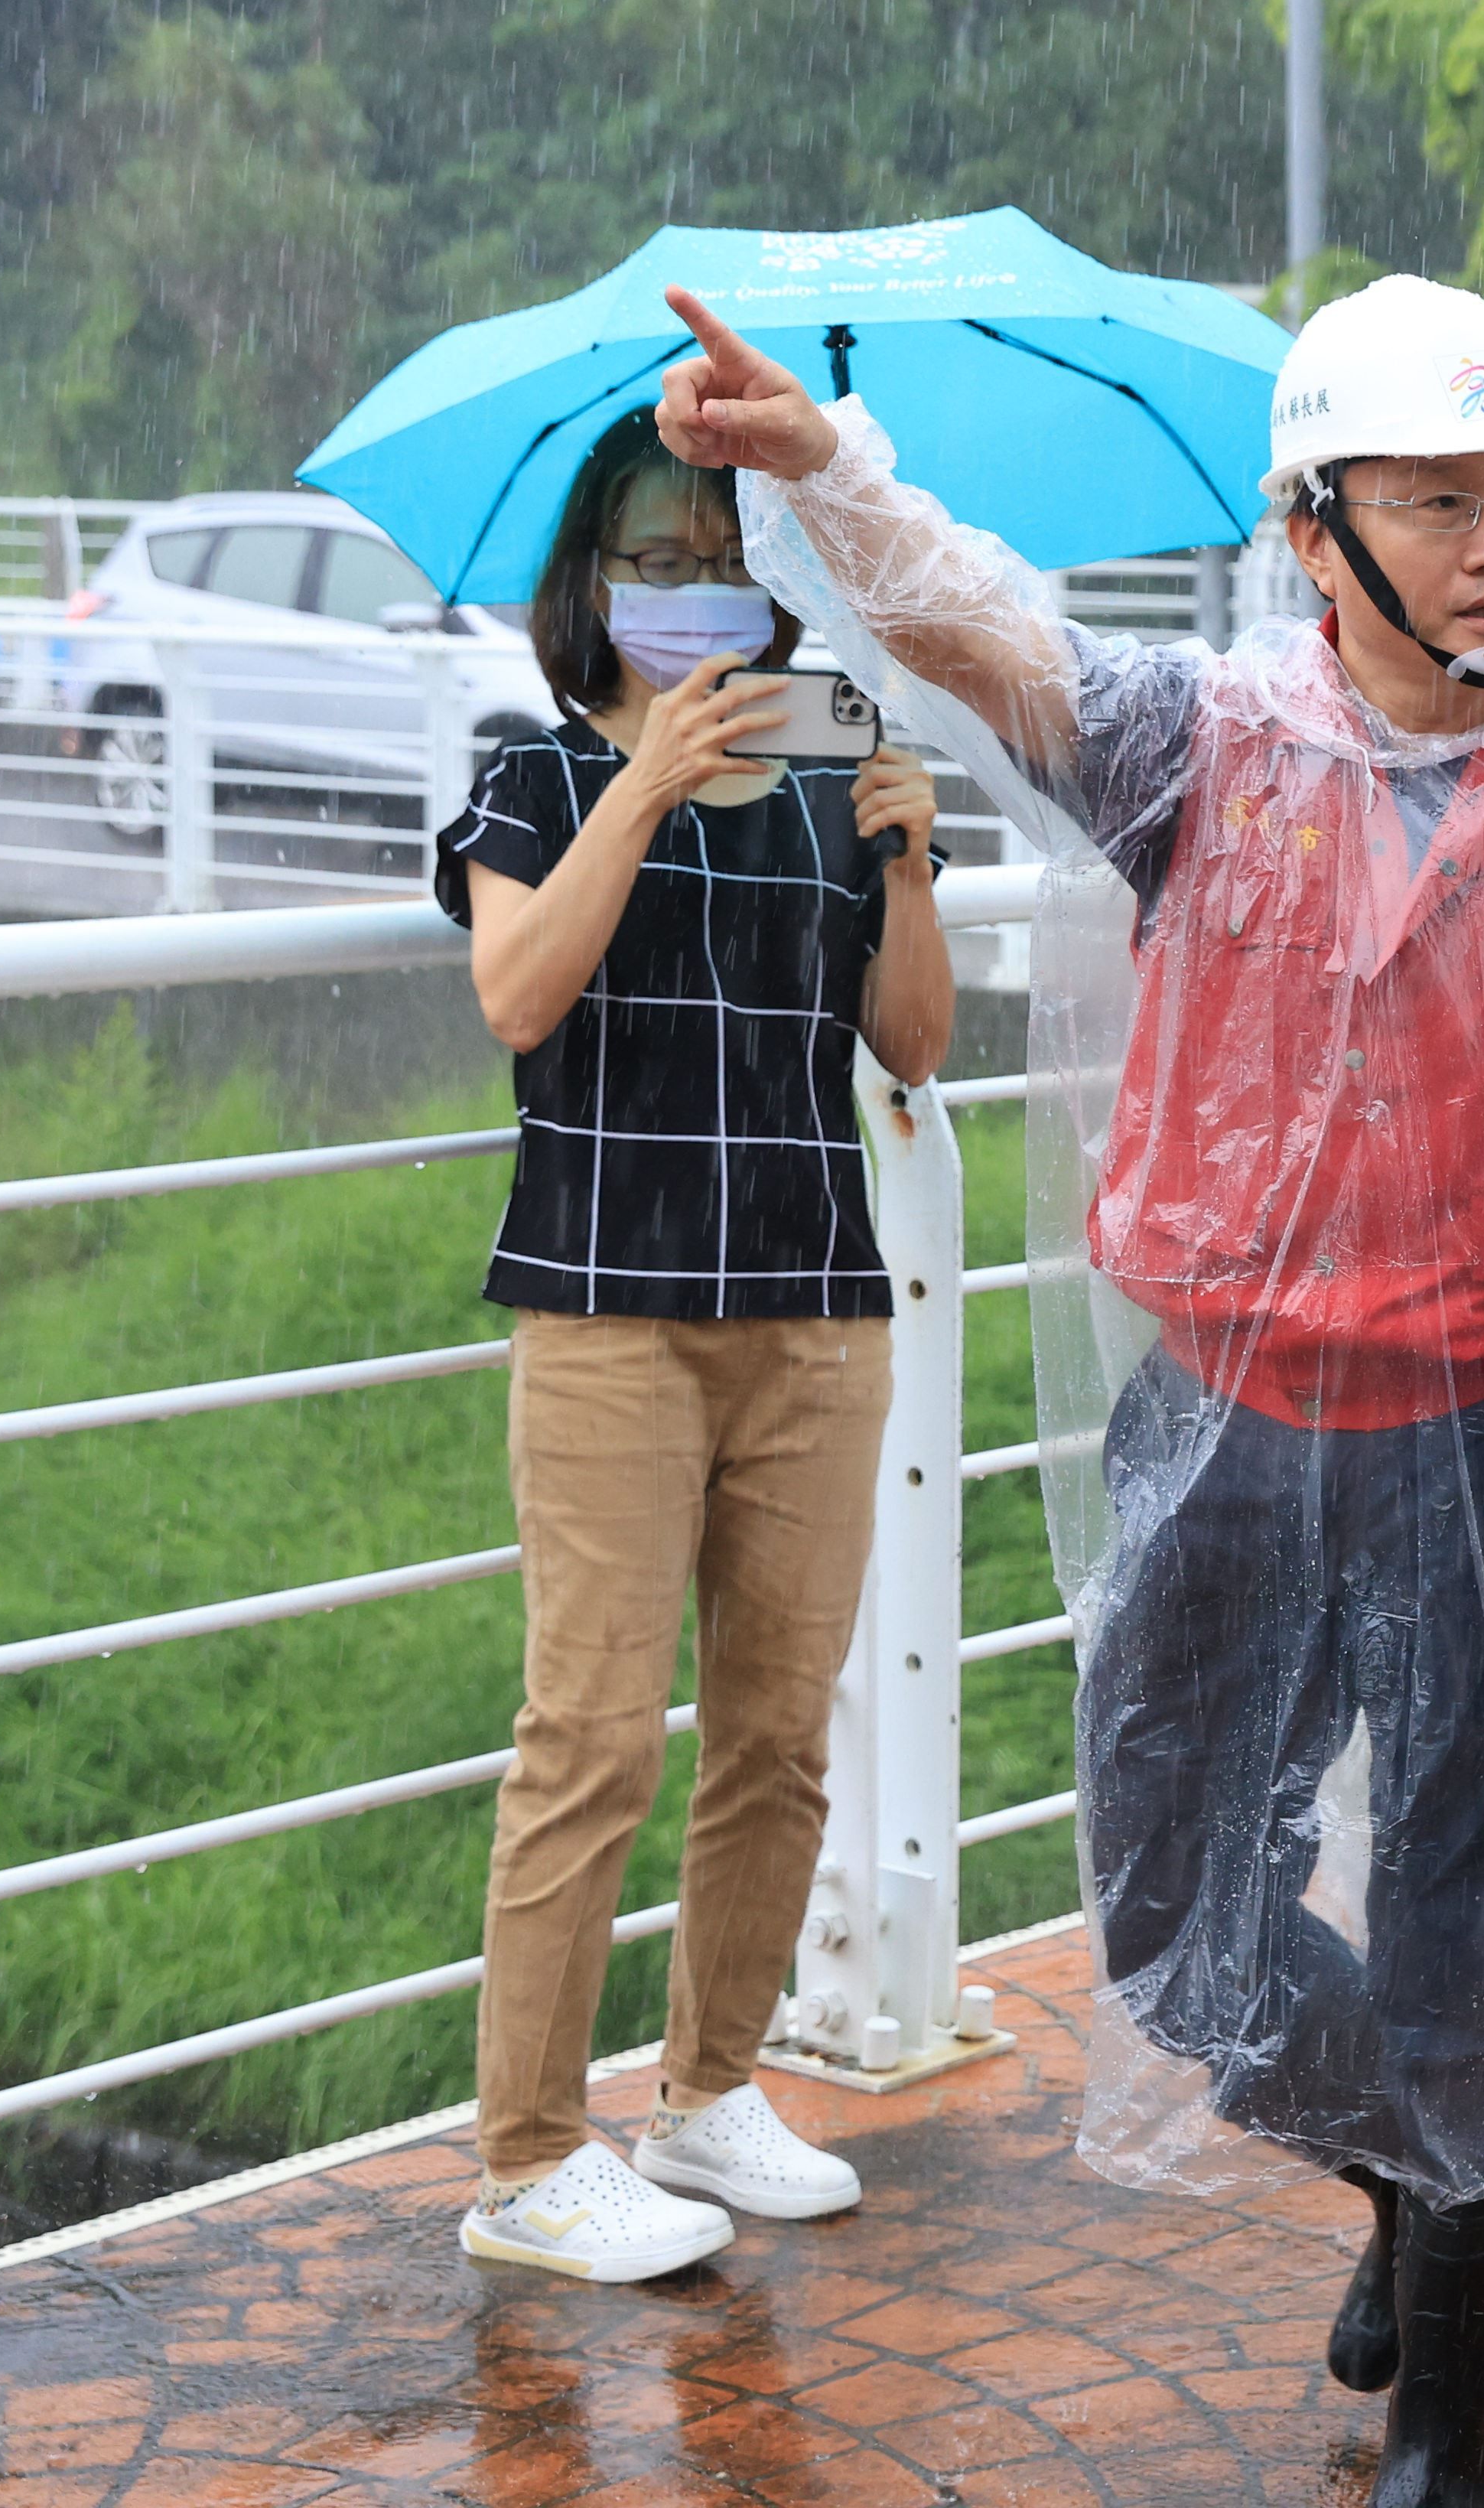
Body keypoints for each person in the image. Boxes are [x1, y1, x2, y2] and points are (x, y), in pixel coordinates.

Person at [650, 272, 1484, 2508]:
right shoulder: (1206, 747)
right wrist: (827, 475)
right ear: (1314, 528)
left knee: (1474, 1924)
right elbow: (984, 633)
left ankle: (1460, 2403)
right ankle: (1422, 2181)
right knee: (1179, 1926)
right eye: (1437, 501)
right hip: (1234, 1415)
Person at [432, 412, 956, 2283]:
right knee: (586, 1738)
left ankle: (711, 2083)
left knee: (775, 1735)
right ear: (588, 584)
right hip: (608, 1317)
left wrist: (904, 857)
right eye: (646, 561)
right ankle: (528, 2153)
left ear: (777, 586)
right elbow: (517, 992)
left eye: (718, 557)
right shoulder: (530, 777)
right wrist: (641, 784)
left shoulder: (836, 772)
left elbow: (913, 1043)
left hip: (813, 1311)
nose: (682, 591)